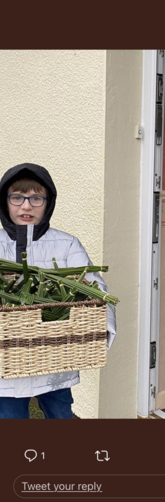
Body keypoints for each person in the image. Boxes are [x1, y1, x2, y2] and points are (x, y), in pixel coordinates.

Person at [0, 162, 116, 419]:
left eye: (36, 198)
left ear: (48, 202)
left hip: (55, 358)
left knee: (61, 414)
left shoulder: (66, 245)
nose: (26, 206)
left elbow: (96, 287)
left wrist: (99, 330)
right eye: (17, 197)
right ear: (5, 201)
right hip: (5, 364)